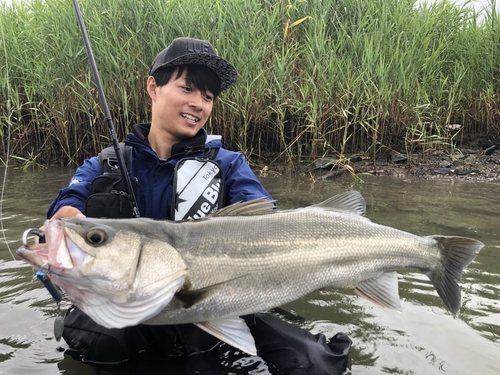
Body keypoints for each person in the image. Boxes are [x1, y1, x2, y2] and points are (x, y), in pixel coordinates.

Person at [47, 37, 351, 374]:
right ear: (153, 87)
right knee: (97, 341)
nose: (199, 104)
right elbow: (65, 212)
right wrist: (66, 229)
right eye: (188, 89)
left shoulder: (230, 164)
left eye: (208, 97)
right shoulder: (105, 163)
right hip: (124, 310)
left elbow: (267, 221)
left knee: (317, 363)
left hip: (208, 303)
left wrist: (316, 263)